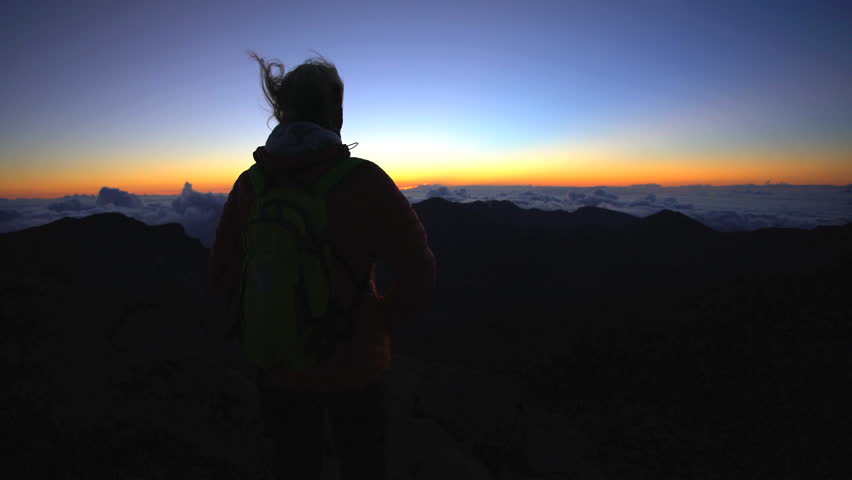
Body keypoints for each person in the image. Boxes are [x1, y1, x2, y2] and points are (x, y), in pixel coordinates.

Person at [209, 52, 436, 479]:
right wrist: (374, 322)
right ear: (336, 111)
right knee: (362, 465)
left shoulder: (250, 186)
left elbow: (222, 275)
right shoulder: (363, 180)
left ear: (282, 111)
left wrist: (270, 314)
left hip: (276, 363)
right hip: (356, 366)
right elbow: (419, 274)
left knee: (294, 465)